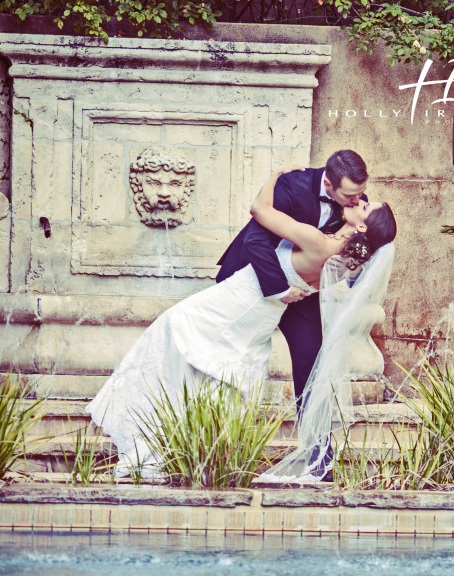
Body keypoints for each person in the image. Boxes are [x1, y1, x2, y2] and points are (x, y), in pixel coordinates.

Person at [87, 167, 396, 482]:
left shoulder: (319, 243)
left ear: (359, 225)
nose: (362, 200)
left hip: (235, 304)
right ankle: (176, 451)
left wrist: (275, 174)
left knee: (170, 336)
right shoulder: (341, 264)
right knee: (212, 375)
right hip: (255, 319)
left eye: (366, 206)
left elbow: (260, 210)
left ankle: (147, 446)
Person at [216, 149, 371, 408]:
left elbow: (356, 247)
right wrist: (279, 288)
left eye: (361, 193)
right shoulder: (292, 184)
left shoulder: (356, 202)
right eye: (349, 195)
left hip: (302, 292)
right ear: (328, 183)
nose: (358, 200)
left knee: (311, 363)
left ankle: (316, 445)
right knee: (228, 357)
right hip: (256, 277)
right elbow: (256, 240)